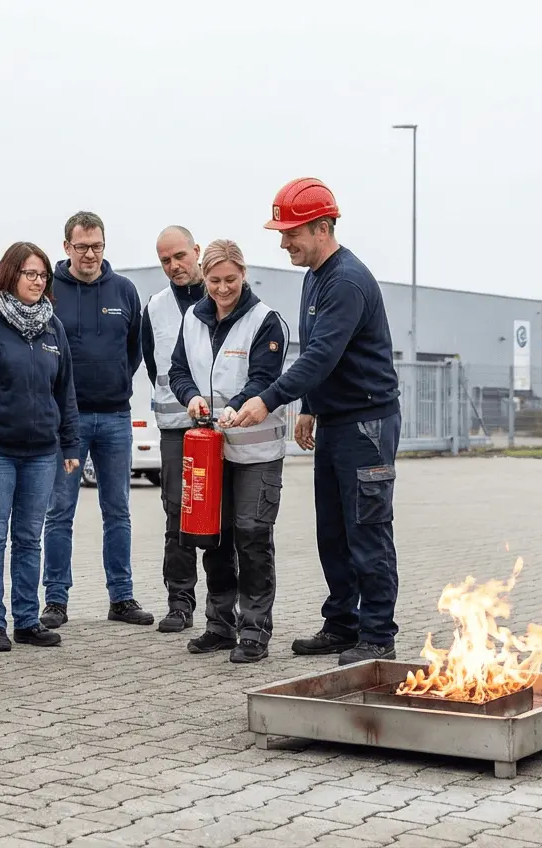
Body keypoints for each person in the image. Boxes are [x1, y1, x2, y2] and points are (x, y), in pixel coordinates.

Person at [231, 178, 402, 667]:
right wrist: (310, 405)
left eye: (291, 233)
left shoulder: (346, 281)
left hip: (366, 425)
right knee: (334, 531)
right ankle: (342, 625)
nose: (284, 242)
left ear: (323, 227)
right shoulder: (316, 276)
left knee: (367, 529)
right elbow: (318, 353)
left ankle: (377, 635)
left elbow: (324, 354)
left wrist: (270, 399)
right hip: (336, 421)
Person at [0, 242, 82, 651]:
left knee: (29, 537)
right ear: (10, 275)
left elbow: (65, 392)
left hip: (42, 452)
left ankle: (26, 620)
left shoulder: (53, 327)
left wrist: (70, 443)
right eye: (30, 273)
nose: (38, 281)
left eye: (43, 275)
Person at [168, 240, 287, 663]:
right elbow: (178, 370)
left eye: (230, 280)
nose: (222, 289)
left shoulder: (265, 321)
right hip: (210, 451)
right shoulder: (192, 319)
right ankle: (219, 624)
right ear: (204, 276)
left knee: (252, 537)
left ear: (244, 274)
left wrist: (237, 405)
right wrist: (191, 399)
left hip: (256, 453)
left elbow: (264, 378)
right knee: (213, 539)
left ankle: (254, 630)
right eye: (214, 280)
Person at [40, 211, 153, 628]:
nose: (90, 254)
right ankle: (55, 600)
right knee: (59, 511)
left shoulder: (124, 291)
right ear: (66, 247)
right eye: (82, 246)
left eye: (97, 246)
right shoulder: (49, 292)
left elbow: (134, 350)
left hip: (114, 418)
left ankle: (121, 598)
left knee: (118, 510)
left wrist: (115, 382)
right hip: (65, 422)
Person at [141, 225, 218, 634]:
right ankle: (180, 601)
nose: (174, 266)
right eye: (165, 261)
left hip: (225, 427)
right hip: (176, 427)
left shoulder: (223, 293)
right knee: (178, 513)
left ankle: (223, 605)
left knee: (225, 517)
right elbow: (155, 367)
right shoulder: (154, 307)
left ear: (197, 251)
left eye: (180, 256)